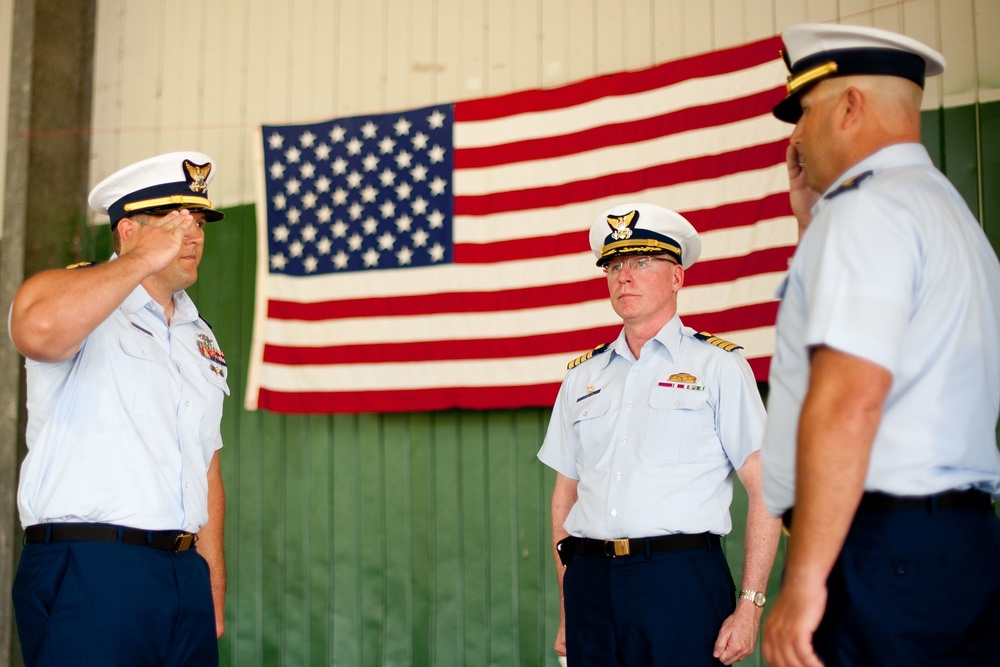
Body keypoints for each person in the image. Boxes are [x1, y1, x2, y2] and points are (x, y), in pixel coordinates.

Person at [760, 24, 1000, 667]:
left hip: (877, 551)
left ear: (849, 107)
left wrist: (806, 579)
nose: (797, 138)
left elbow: (850, 403)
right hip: (955, 546)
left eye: (805, 113)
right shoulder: (946, 214)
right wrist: (811, 220)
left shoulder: (865, 214)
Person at [9, 151, 230, 666]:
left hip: (182, 575)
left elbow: (205, 461)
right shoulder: (72, 294)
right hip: (92, 565)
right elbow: (35, 330)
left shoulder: (199, 335)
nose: (192, 236)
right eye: (174, 224)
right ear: (128, 229)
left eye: (198, 222)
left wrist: (209, 578)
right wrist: (139, 265)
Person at [537, 202, 782, 666]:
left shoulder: (718, 367)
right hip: (590, 580)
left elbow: (766, 485)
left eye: (641, 262)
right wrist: (570, 604)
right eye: (614, 264)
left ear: (677, 277)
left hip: (680, 580)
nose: (624, 276)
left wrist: (750, 604)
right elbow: (564, 497)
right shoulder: (581, 378)